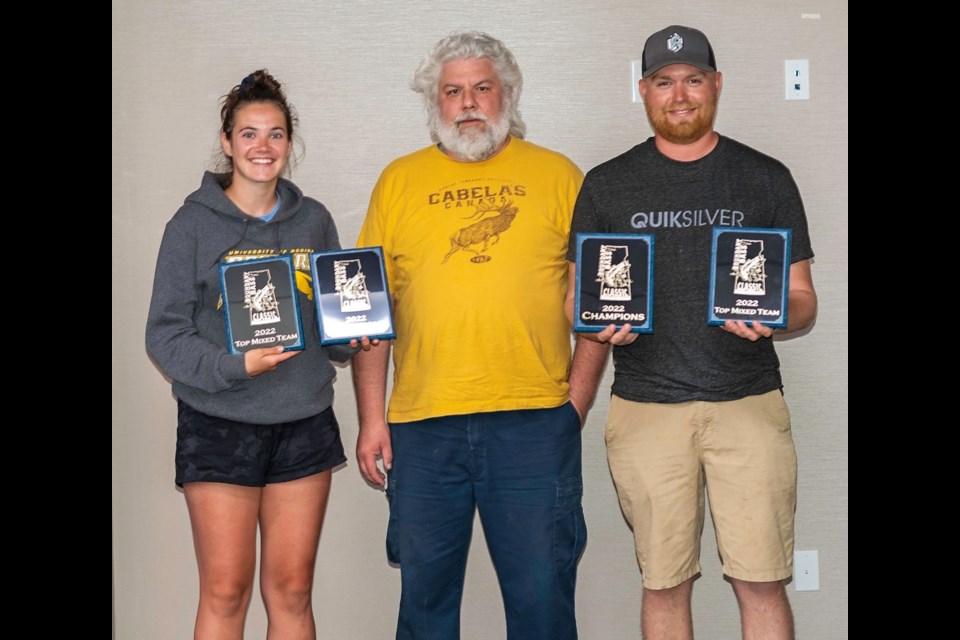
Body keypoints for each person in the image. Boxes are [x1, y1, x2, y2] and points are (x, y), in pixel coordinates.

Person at [565, 25, 818, 640]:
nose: (679, 94)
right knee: (664, 583)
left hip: (749, 407)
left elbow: (805, 299)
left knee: (761, 581)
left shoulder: (766, 177)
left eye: (693, 79)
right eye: (664, 81)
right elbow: (576, 299)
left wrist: (779, 318)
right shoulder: (605, 184)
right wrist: (600, 326)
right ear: (645, 91)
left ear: (716, 86)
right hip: (646, 410)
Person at [352, 31, 600, 640]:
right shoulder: (397, 181)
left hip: (536, 423)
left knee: (543, 604)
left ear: (507, 95)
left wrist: (577, 404)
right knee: (425, 608)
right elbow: (366, 314)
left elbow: (596, 301)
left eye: (482, 88)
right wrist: (371, 418)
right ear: (434, 103)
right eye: (453, 91)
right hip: (423, 427)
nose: (468, 103)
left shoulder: (561, 176)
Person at [145, 69, 371, 640]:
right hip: (219, 425)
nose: (262, 147)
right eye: (248, 134)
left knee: (292, 590)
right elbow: (164, 334)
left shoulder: (313, 219)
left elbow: (332, 325)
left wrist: (356, 333)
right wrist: (233, 366)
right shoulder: (191, 225)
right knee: (226, 591)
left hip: (303, 424)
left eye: (274, 134)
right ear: (226, 142)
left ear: (289, 144)